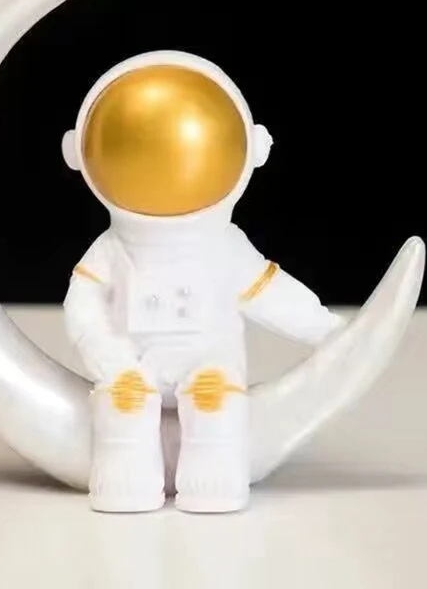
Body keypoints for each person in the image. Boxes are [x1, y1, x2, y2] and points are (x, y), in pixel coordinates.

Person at [61, 50, 344, 513]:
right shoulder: (112, 249)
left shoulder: (224, 244)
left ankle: (214, 479)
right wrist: (109, 357)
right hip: (130, 362)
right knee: (123, 407)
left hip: (208, 360)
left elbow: (269, 291)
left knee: (216, 405)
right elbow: (84, 306)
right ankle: (124, 480)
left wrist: (325, 329)